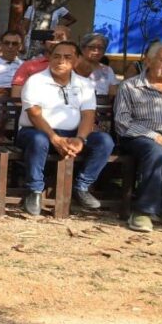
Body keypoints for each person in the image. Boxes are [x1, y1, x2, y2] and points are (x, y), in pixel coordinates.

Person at [17, 41, 115, 215]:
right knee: (39, 140)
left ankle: (81, 187)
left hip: (73, 134)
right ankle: (35, 190)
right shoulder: (36, 81)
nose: (61, 61)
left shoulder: (85, 84)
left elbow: (88, 115)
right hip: (36, 131)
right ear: (49, 59)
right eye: (56, 56)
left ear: (77, 60)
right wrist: (55, 138)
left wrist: (80, 139)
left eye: (67, 57)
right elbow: (34, 115)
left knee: (104, 141)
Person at [114, 41, 162, 232]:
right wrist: (157, 138)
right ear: (148, 61)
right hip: (138, 137)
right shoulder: (130, 86)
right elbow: (122, 121)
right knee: (155, 151)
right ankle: (143, 212)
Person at [11, 26, 69, 96]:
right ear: (43, 42)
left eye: (59, 38)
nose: (55, 41)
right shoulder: (29, 66)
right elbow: (16, 95)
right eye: (51, 37)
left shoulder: (73, 65)